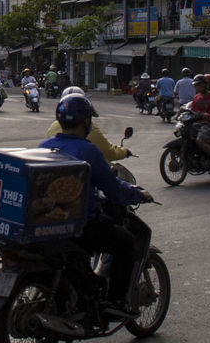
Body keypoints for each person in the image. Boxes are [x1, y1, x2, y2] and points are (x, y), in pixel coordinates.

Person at [39, 94, 152, 313]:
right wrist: (139, 195)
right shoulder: (88, 150)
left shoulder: (45, 145)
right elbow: (115, 190)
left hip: (46, 222)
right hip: (80, 225)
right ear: (84, 122)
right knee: (126, 243)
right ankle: (116, 302)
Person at [45, 86, 132, 161]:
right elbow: (109, 153)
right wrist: (124, 151)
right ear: (86, 121)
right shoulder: (88, 150)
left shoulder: (46, 143)